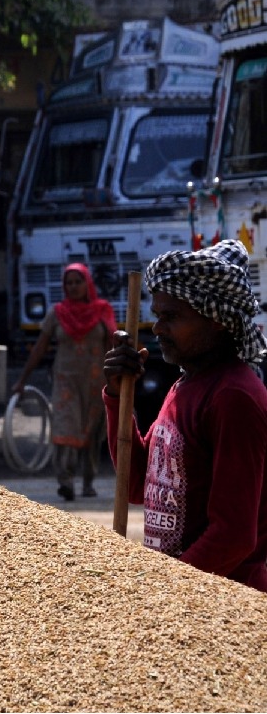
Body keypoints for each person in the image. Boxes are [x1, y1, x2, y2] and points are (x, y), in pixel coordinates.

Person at [103, 239, 267, 592]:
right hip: (183, 598)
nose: (158, 328)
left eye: (172, 317)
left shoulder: (233, 397)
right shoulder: (185, 384)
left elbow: (234, 536)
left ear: (218, 320)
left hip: (226, 606)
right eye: (158, 316)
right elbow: (136, 485)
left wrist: (166, 592)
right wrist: (118, 395)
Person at [12, 263, 116, 501]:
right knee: (65, 427)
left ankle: (88, 481)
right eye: (69, 283)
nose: (73, 286)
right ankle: (66, 481)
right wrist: (22, 380)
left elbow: (111, 345)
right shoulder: (57, 313)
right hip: (65, 380)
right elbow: (40, 347)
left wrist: (117, 379)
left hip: (95, 381)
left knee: (92, 431)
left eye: (78, 281)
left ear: (87, 284)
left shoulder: (102, 310)